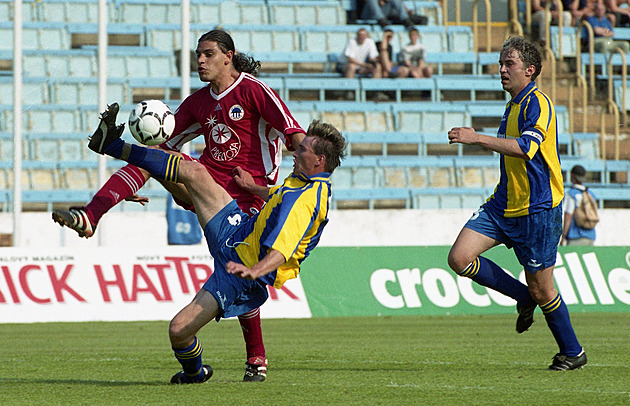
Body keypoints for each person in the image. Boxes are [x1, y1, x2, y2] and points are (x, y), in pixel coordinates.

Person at [52, 29, 308, 382]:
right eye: (197, 54)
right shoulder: (198, 103)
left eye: (207, 53)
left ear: (228, 56)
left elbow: (296, 135)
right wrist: (142, 179)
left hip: (247, 201)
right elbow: (160, 151)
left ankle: (253, 359)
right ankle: (91, 214)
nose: (199, 60)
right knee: (151, 158)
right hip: (206, 192)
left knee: (234, 267)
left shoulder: (254, 91)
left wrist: (299, 175)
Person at [88, 106, 345, 383]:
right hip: (236, 230)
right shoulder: (304, 181)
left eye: (302, 150)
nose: (295, 152)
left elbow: (283, 249)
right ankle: (113, 145)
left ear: (319, 160)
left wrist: (254, 271)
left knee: (179, 330)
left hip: (239, 272)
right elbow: (278, 193)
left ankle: (194, 373)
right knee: (195, 172)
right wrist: (252, 188)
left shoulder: (307, 202)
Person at [446, 36, 587, 371]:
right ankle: (521, 296)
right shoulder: (512, 105)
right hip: (504, 204)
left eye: (509, 64)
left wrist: (476, 137)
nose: (502, 69)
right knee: (459, 257)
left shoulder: (537, 103)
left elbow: (527, 148)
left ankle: (572, 352)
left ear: (530, 70)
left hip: (538, 210)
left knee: (543, 289)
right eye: (501, 63)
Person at [561, 165, 598, 246]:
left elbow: (568, 216)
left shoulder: (571, 194)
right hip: (590, 236)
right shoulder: (590, 194)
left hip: (575, 236)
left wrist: (563, 236)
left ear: (572, 176)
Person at [359, 0, 425, 28]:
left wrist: (406, 10)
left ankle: (405, 19)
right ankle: (381, 19)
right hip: (368, 13)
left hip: (383, 11)